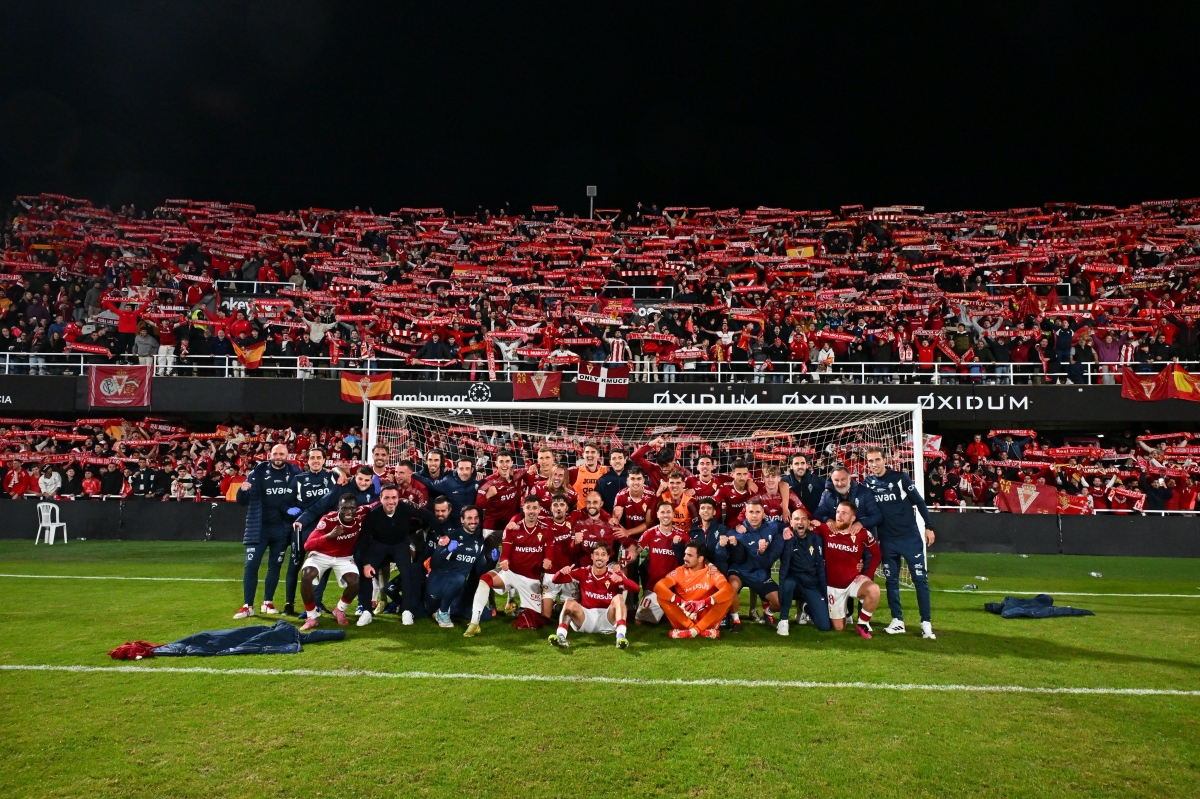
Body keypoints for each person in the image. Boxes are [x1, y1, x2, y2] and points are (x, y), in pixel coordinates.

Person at [863, 447, 936, 639]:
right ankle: (897, 621)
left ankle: (926, 623)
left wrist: (929, 526)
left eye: (877, 459)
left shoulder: (900, 478)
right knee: (891, 581)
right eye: (870, 461)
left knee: (920, 580)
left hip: (909, 539)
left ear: (885, 460)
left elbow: (919, 502)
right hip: (886, 541)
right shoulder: (868, 483)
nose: (874, 464)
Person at [463, 495, 552, 637]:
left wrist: (548, 561)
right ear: (523, 508)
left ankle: (524, 608)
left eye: (535, 508)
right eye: (528, 507)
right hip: (511, 573)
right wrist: (504, 561)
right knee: (485, 579)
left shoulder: (546, 529)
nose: (531, 511)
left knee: (541, 618)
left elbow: (549, 554)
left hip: (531, 579)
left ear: (540, 509)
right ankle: (474, 623)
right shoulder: (513, 528)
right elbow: (505, 553)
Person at [356, 484, 442, 627]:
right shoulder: (373, 513)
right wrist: (366, 564)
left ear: (399, 498)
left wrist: (442, 534)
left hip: (400, 545)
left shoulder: (405, 508)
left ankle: (406, 611)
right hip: (378, 545)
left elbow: (428, 515)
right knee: (366, 574)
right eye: (387, 498)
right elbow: (363, 540)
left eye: (394, 497)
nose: (391, 501)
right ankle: (366, 611)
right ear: (380, 499)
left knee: (407, 574)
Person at [234, 443, 302, 619]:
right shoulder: (257, 472)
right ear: (269, 454)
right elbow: (242, 501)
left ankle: (267, 602)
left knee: (275, 566)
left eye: (282, 454)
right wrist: (242, 491)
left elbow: (299, 496)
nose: (278, 457)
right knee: (251, 566)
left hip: (281, 529)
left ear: (288, 455)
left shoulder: (295, 472)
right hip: (258, 528)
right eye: (275, 453)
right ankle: (248, 605)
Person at [547, 541, 639, 649]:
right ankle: (561, 636)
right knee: (569, 602)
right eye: (597, 554)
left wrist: (622, 579)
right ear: (592, 556)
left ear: (608, 557)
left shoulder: (614, 575)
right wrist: (561, 572)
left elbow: (636, 589)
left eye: (603, 554)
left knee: (619, 598)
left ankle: (620, 637)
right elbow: (555, 580)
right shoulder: (583, 572)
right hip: (586, 618)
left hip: (607, 618)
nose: (599, 557)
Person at [283, 448, 340, 615]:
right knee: (295, 564)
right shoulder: (298, 479)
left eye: (319, 458)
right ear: (307, 460)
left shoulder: (332, 477)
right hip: (303, 527)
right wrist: (290, 511)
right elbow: (285, 504)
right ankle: (289, 604)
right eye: (312, 458)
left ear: (324, 460)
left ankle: (317, 602)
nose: (316, 460)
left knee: (323, 566)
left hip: (325, 529)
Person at [299, 494, 367, 631]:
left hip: (343, 557)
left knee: (355, 582)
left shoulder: (362, 514)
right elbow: (307, 545)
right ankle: (312, 616)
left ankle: (339, 610)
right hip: (321, 554)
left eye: (352, 508)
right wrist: (328, 536)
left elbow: (378, 503)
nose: (348, 512)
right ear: (338, 509)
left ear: (357, 509)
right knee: (306, 575)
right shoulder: (328, 520)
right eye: (344, 508)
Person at [722, 499, 783, 631]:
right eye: (751, 512)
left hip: (760, 573)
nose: (754, 515)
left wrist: (788, 530)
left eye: (757, 512)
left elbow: (787, 525)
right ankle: (736, 620)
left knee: (780, 603)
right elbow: (732, 557)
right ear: (746, 514)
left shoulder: (773, 527)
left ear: (763, 514)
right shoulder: (735, 532)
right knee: (731, 586)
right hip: (740, 570)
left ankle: (768, 613)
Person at [824, 501, 882, 638]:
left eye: (844, 513)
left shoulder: (862, 533)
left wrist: (868, 575)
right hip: (833, 586)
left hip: (853, 580)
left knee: (873, 589)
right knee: (839, 628)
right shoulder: (826, 529)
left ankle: (862, 625)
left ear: (853, 518)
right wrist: (787, 530)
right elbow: (805, 526)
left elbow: (877, 554)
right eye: (838, 512)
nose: (839, 515)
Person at [653, 542, 735, 639]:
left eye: (690, 555)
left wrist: (703, 603)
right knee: (661, 597)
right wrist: (681, 603)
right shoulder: (680, 571)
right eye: (685, 554)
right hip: (684, 618)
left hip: (706, 619)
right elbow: (658, 586)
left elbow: (728, 590)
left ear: (700, 559)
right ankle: (698, 631)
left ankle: (691, 632)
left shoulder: (711, 571)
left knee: (727, 598)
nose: (684, 558)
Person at [424, 504, 488, 627]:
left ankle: (450, 608)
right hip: (437, 583)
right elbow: (434, 563)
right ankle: (442, 613)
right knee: (458, 578)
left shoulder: (479, 543)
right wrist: (447, 550)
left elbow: (480, 571)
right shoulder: (449, 536)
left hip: (458, 588)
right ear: (462, 520)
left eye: (476, 518)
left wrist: (491, 562)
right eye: (469, 518)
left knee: (485, 616)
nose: (473, 521)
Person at [776, 506, 830, 635]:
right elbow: (772, 527)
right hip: (794, 581)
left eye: (803, 519)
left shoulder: (817, 539)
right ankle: (783, 620)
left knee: (824, 626)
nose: (800, 522)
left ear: (808, 522)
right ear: (791, 522)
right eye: (796, 519)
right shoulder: (785, 539)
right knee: (788, 584)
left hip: (811, 584)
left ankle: (805, 607)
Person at [633, 501, 687, 624]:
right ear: (657, 514)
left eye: (669, 512)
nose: (666, 515)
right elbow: (636, 551)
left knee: (679, 622)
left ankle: (667, 610)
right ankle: (660, 610)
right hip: (654, 586)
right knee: (639, 621)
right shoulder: (650, 533)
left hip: (674, 587)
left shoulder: (682, 535)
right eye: (662, 512)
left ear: (673, 514)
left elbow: (692, 557)